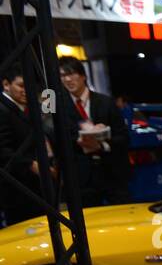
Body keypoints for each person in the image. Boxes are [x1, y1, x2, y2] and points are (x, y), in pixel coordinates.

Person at [58, 56, 129, 205]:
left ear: (83, 75)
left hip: (111, 173)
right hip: (82, 179)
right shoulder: (60, 107)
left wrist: (102, 145)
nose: (68, 79)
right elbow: (59, 140)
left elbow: (123, 137)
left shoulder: (106, 102)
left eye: (71, 74)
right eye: (63, 76)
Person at [0, 65, 45, 226]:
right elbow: (3, 151)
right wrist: (31, 164)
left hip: (34, 185)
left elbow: (48, 122)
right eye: (21, 86)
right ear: (6, 84)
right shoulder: (3, 109)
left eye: (30, 86)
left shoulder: (28, 107)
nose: (26, 90)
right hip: (16, 188)